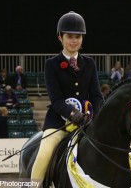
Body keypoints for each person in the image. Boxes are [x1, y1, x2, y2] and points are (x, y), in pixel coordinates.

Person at [31, 11, 103, 181]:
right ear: (60, 38)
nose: (74, 40)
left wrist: (99, 114)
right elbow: (56, 99)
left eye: (78, 36)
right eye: (69, 36)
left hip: (87, 122)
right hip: (58, 123)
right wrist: (72, 113)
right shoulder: (52, 64)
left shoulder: (90, 63)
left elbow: (96, 95)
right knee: (44, 156)